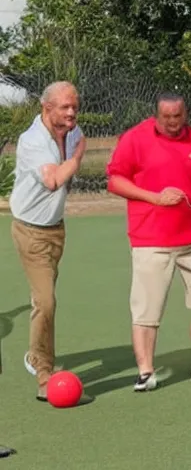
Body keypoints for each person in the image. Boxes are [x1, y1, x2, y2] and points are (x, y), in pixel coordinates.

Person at [106, 93, 191, 391]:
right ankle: (145, 373)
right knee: (147, 310)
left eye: (177, 116)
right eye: (166, 116)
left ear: (186, 114)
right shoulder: (135, 138)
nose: (171, 122)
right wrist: (155, 197)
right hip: (151, 238)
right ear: (157, 114)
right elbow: (115, 180)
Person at [9, 81, 86, 401]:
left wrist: (75, 144)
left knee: (45, 301)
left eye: (75, 106)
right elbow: (54, 180)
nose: (71, 113)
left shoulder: (73, 131)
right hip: (30, 231)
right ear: (47, 108)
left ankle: (34, 354)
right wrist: (79, 155)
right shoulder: (32, 141)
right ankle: (43, 372)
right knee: (46, 301)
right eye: (65, 107)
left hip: (56, 230)